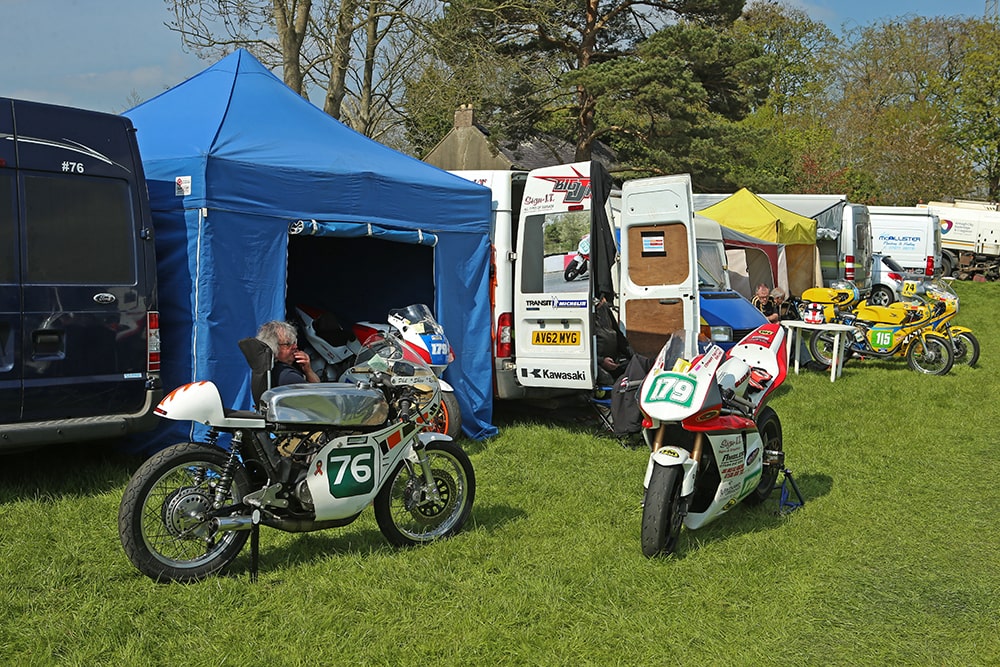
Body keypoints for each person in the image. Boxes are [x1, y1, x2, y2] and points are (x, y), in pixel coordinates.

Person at [256, 320, 320, 385]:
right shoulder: (289, 376)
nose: (295, 346)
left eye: (294, 342)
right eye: (288, 344)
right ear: (273, 347)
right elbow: (317, 392)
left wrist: (308, 370)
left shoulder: (266, 368)